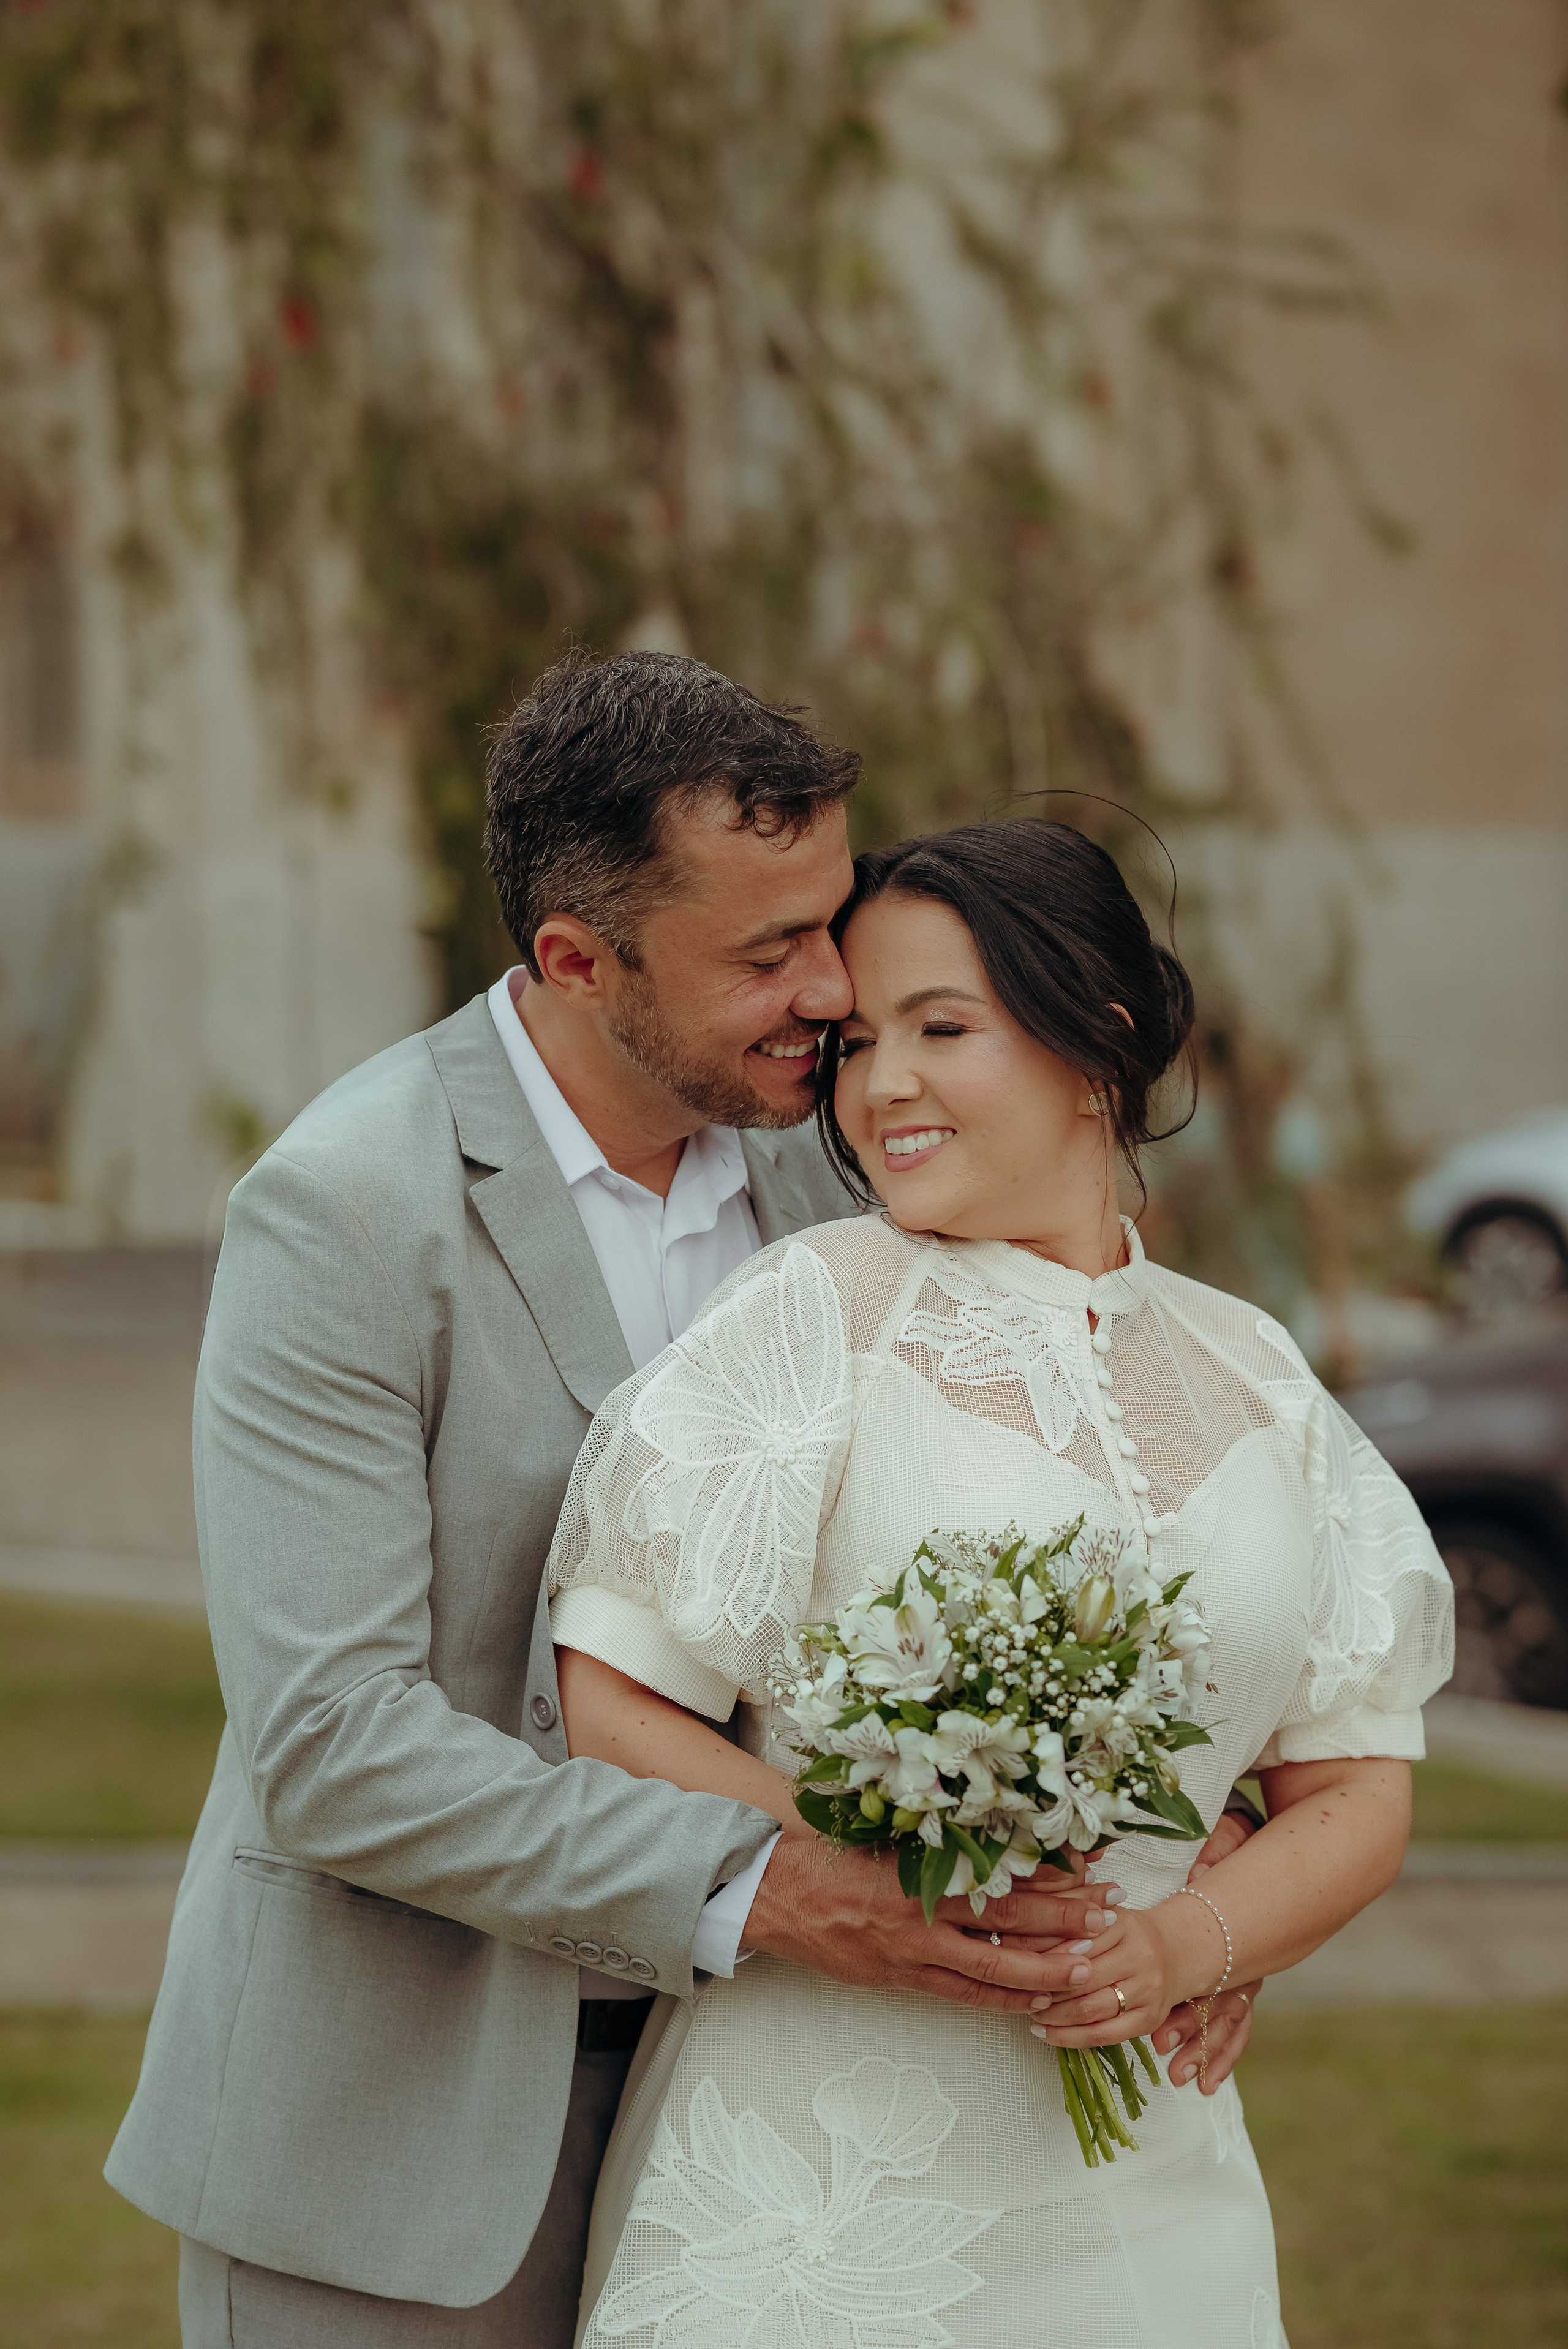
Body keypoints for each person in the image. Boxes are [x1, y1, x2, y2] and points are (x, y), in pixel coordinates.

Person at [105, 654, 1251, 2348]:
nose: (832, 983)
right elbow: (339, 1742)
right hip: (398, 2136)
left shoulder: (848, 1159)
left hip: (781, 2119)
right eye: (766, 951)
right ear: (577, 958)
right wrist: (769, 1879)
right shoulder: (342, 1211)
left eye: (833, 917)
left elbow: (1044, 1498)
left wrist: (1190, 1879)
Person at [549, 819, 1455, 2348]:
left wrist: (1190, 1942)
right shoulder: (816, 1312)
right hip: (819, 2170)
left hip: (1148, 2175)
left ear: (1095, 1040)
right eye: (854, 1042)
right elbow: (610, 1701)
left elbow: (1357, 1779)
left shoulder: (1260, 1375)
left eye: (939, 1028)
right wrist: (882, 1881)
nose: (878, 1082)